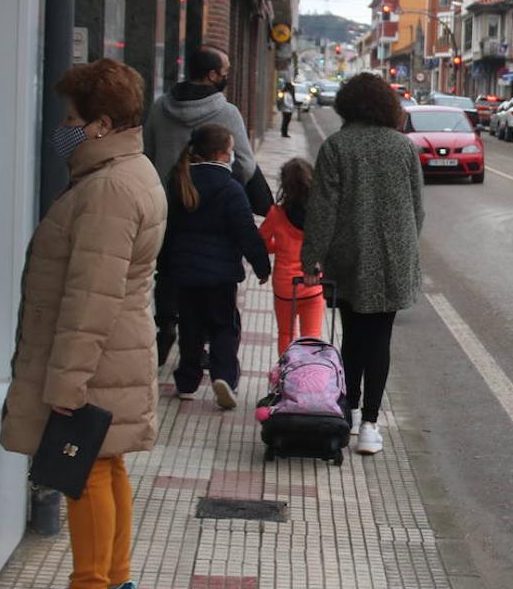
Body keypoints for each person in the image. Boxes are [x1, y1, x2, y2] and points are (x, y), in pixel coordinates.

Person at [1, 58, 167, 589]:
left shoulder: (109, 189)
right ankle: (114, 584)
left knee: (87, 473)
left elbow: (90, 296)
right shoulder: (128, 170)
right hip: (117, 352)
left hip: (97, 358)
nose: (63, 128)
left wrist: (66, 383)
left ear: (99, 124)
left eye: (71, 118)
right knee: (108, 463)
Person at [301, 73, 424, 455]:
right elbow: (417, 209)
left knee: (352, 336)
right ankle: (371, 425)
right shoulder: (402, 147)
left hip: (349, 256)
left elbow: (322, 211)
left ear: (346, 105)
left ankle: (350, 411)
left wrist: (311, 259)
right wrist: (403, 245)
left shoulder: (336, 147)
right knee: (380, 338)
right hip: (393, 257)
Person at [143, 45, 272, 366]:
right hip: (213, 208)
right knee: (209, 278)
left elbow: (146, 152)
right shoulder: (227, 113)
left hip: (166, 203)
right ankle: (201, 346)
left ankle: (166, 325)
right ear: (213, 75)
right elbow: (244, 162)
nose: (227, 76)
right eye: (226, 71)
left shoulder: (160, 107)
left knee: (169, 268)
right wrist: (227, 188)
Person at [159, 124, 271, 409]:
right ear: (222, 154)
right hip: (220, 276)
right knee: (224, 326)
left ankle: (187, 382)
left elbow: (166, 228)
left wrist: (164, 264)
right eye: (231, 151)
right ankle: (223, 376)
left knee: (190, 327)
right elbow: (246, 232)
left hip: (183, 273)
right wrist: (261, 266)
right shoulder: (231, 188)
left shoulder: (179, 181)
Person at [260, 158, 324, 352]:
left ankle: (286, 377)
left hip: (285, 287)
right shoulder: (320, 214)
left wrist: (278, 246)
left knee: (286, 335)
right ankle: (309, 379)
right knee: (312, 337)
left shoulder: (276, 213)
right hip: (312, 284)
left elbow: (261, 242)